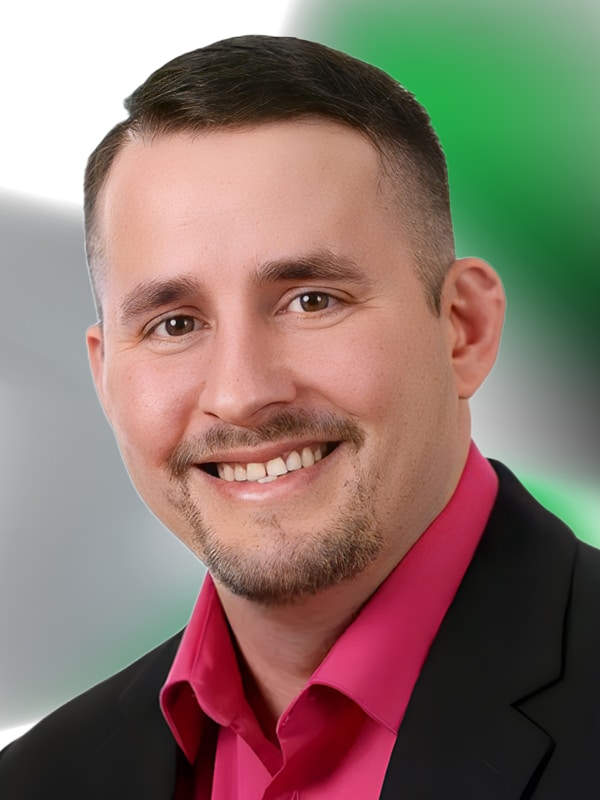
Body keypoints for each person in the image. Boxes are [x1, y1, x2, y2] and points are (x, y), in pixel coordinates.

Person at [1, 34, 598, 799]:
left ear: (464, 329)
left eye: (312, 300)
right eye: (174, 324)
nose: (243, 393)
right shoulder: (42, 781)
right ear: (106, 377)